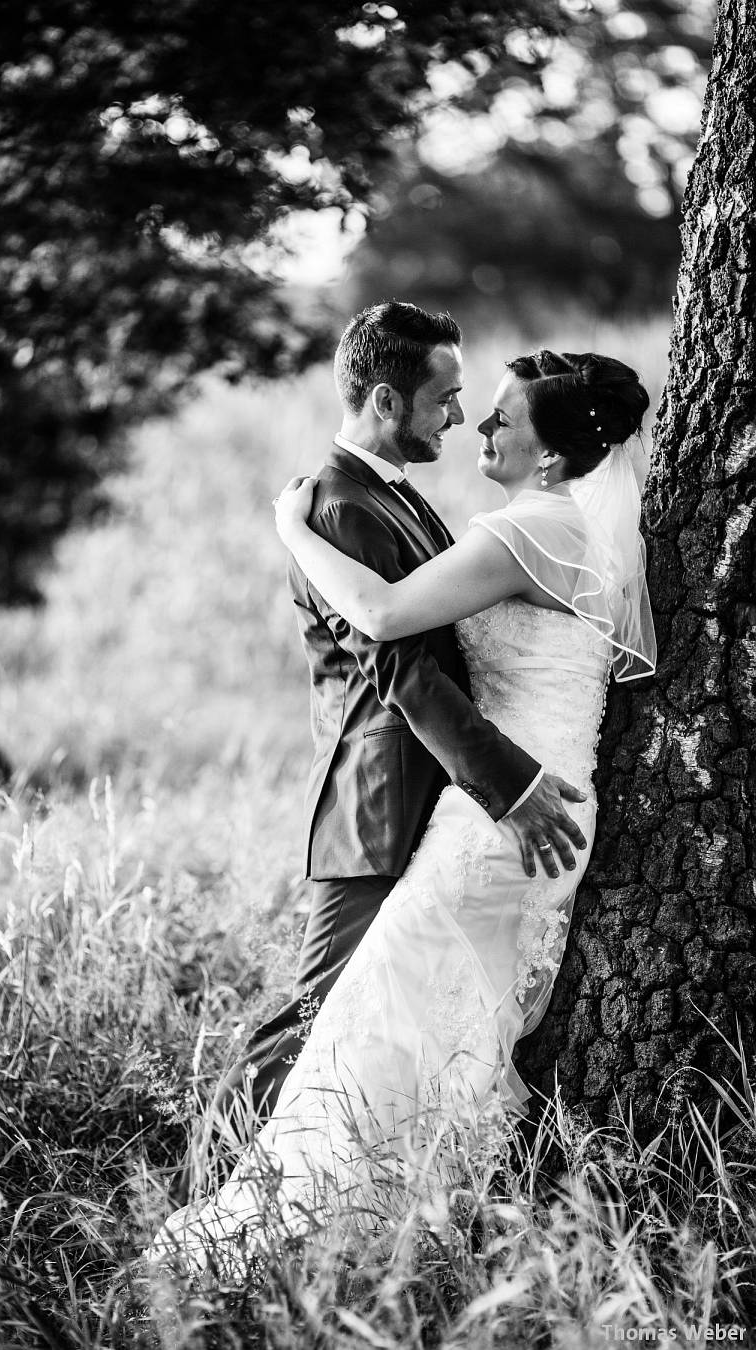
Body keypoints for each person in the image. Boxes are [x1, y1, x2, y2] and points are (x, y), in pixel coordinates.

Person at [155, 349, 656, 1276]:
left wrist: (291, 532)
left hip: (500, 814)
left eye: (502, 415)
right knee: (448, 1021)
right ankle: (410, 1220)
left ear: (551, 457)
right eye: (466, 403)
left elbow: (384, 620)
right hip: (541, 795)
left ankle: (281, 1220)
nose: (481, 424)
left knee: (364, 1014)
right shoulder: (579, 532)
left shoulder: (525, 531)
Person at [213, 303, 591, 1138]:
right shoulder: (340, 506)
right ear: (386, 402)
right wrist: (509, 785)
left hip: (430, 796)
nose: (459, 416)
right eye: (445, 398)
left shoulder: (399, 499)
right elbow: (401, 667)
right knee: (318, 1014)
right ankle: (212, 1176)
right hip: (377, 802)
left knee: (378, 1015)